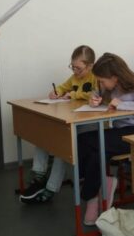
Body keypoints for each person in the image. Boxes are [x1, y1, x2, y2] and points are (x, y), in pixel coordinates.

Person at [77, 53, 134, 226]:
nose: (101, 84)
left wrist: (121, 104)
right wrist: (94, 99)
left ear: (114, 77)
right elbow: (98, 93)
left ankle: (91, 193)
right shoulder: (110, 87)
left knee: (85, 141)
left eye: (102, 81)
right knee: (95, 151)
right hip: (120, 131)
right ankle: (99, 189)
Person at [19, 45, 98, 204]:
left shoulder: (96, 76)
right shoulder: (74, 77)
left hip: (89, 123)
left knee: (63, 144)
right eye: (72, 67)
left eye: (78, 68)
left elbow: (95, 93)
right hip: (73, 117)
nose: (75, 71)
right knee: (44, 133)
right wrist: (56, 93)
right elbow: (62, 87)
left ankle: (51, 187)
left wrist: (73, 94)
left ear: (90, 66)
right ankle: (39, 173)